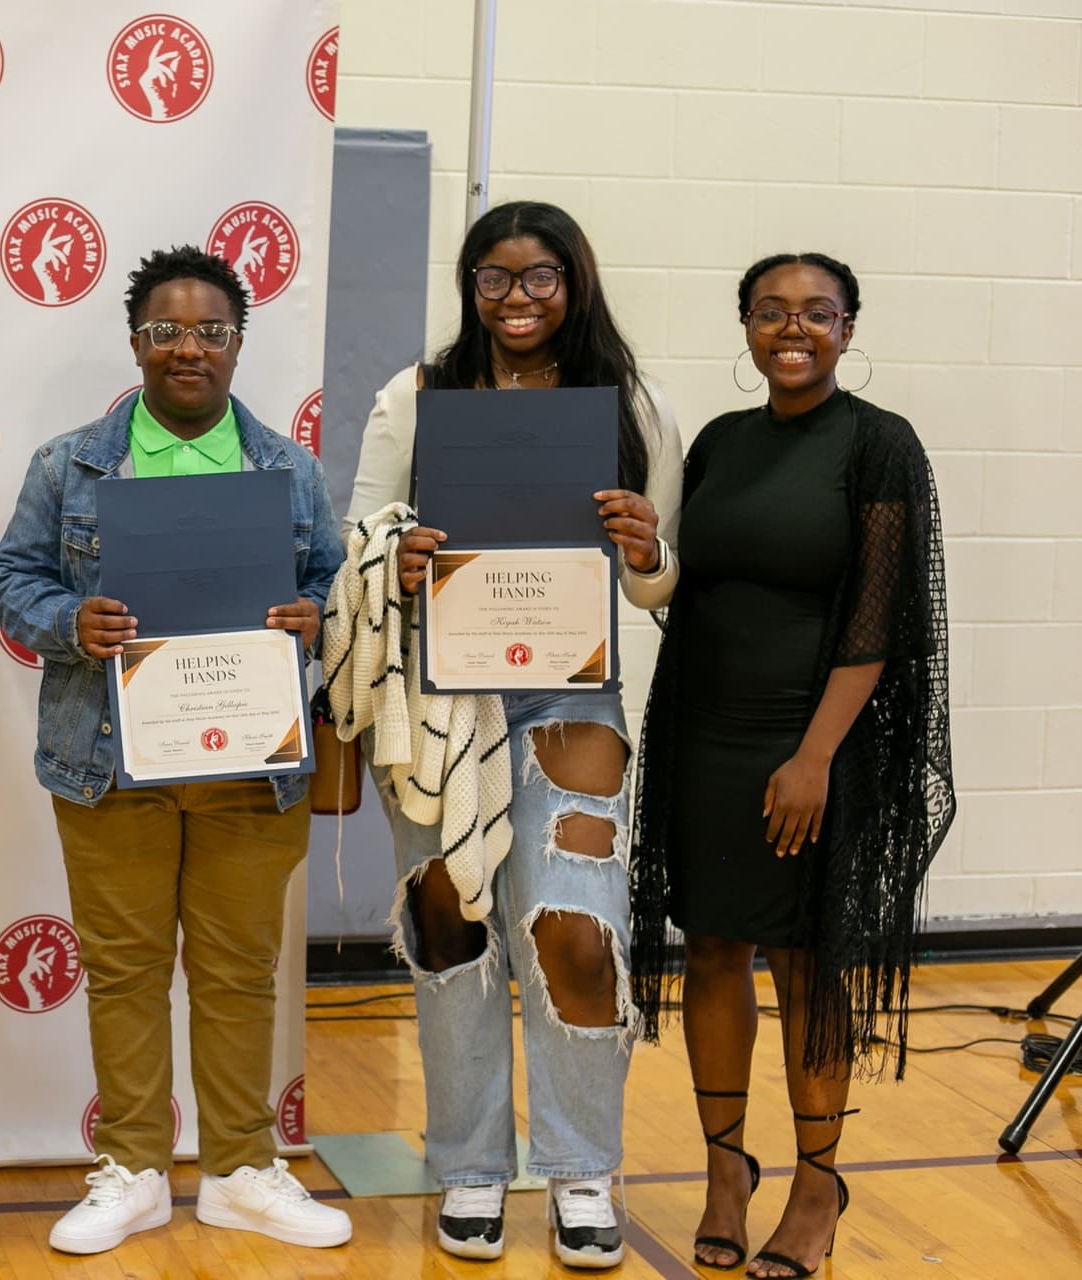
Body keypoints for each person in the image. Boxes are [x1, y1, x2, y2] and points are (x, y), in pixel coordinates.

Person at [0, 246, 352, 1255]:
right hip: (111, 760)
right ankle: (136, 1168)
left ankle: (239, 1168)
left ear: (238, 344)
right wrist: (74, 620)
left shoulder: (288, 466)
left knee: (240, 970)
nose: (188, 348)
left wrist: (310, 612)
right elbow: (11, 578)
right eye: (167, 331)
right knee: (126, 967)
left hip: (250, 756)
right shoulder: (72, 463)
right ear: (136, 342)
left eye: (211, 332)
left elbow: (336, 578)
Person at [339, 201, 683, 1269]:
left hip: (571, 696)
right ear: (469, 284)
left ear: (574, 282)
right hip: (447, 698)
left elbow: (664, 585)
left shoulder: (626, 401)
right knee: (454, 933)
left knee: (577, 931)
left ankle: (583, 1166)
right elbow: (359, 532)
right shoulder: (419, 393)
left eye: (540, 277)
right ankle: (471, 1166)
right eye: (495, 277)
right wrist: (394, 558)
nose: (518, 297)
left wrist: (645, 545)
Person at [628, 254, 953, 1278]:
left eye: (817, 312)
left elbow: (880, 616)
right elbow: (692, 584)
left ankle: (819, 1180)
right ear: (747, 327)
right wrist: (642, 552)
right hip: (705, 730)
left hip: (815, 742)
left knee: (807, 958)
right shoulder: (722, 443)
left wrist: (814, 755)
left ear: (849, 328)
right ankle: (729, 1169)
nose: (793, 327)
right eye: (771, 311)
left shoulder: (878, 445)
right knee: (714, 950)